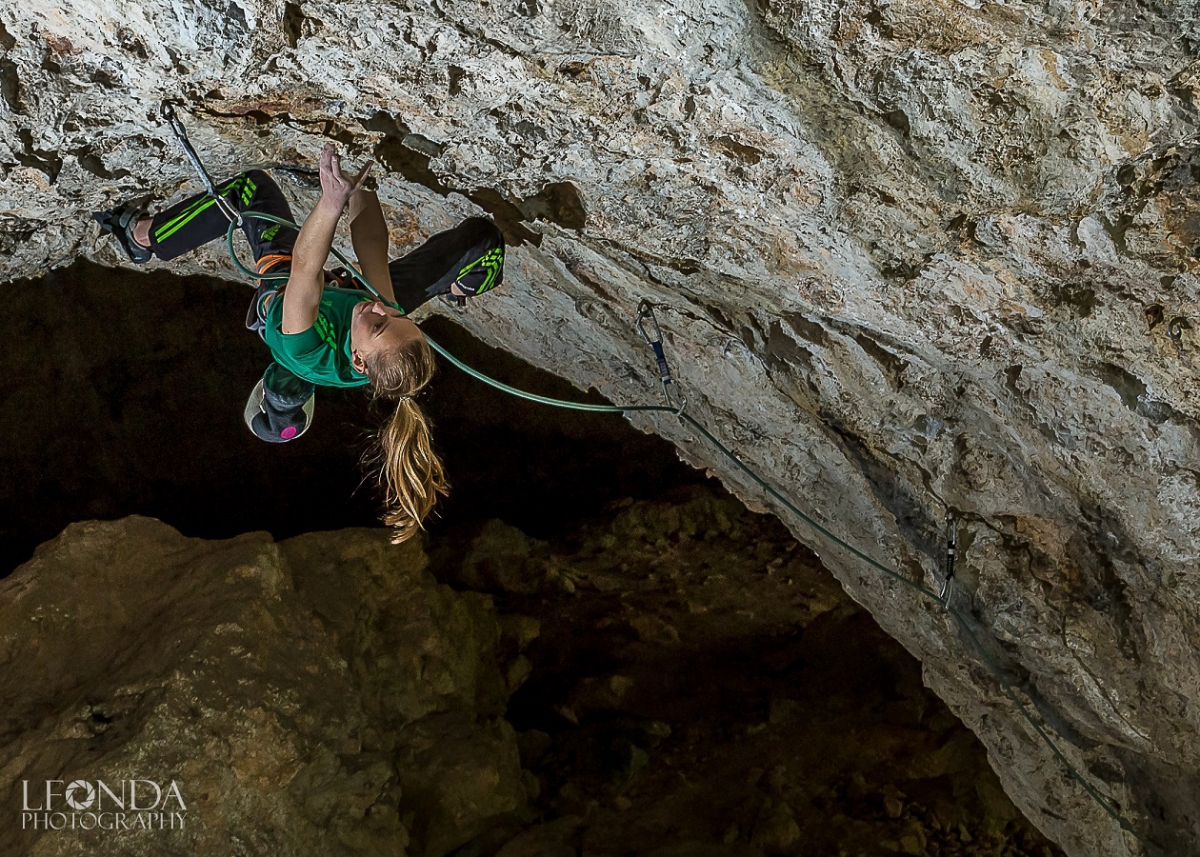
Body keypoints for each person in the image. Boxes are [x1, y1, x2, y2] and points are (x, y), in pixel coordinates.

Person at [93, 144, 505, 542]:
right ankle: (462, 288)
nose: (382, 309)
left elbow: (306, 270)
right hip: (343, 307)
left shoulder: (306, 347)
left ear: (359, 361)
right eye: (399, 317)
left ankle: (143, 238)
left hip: (290, 300)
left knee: (248, 190)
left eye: (382, 323)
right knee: (483, 240)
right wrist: (361, 187)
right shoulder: (382, 328)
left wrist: (331, 202)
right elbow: (373, 249)